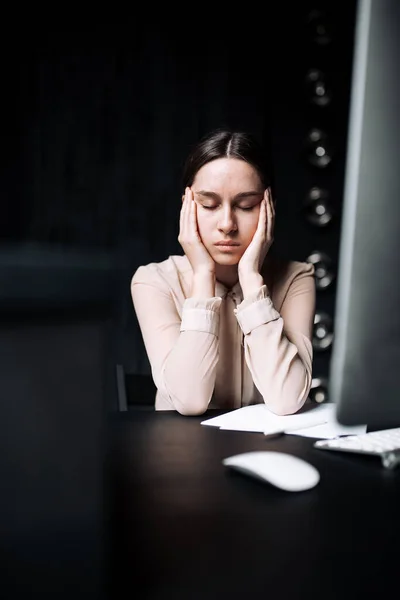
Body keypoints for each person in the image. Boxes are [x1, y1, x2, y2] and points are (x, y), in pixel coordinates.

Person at [130, 129, 316, 416]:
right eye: (209, 204)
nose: (227, 224)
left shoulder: (296, 279)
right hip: (182, 455)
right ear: (187, 208)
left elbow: (287, 399)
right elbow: (188, 401)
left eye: (246, 205)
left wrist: (252, 281)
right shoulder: (154, 281)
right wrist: (203, 275)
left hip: (264, 453)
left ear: (270, 210)